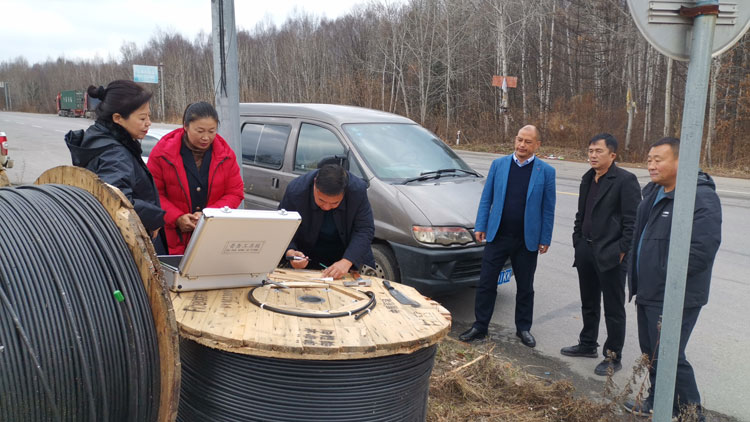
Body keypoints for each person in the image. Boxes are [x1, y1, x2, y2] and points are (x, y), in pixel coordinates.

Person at [624, 137, 721, 421]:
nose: (651, 165)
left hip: (675, 294)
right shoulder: (654, 191)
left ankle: (692, 413)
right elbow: (640, 237)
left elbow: (702, 248)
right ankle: (660, 401)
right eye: (649, 159)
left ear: (681, 161)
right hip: (648, 290)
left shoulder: (699, 197)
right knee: (653, 352)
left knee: (669, 354)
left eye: (659, 160)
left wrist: (666, 279)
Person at [459, 125, 556, 348]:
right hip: (498, 236)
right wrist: (481, 225)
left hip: (526, 240)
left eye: (528, 142)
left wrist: (545, 237)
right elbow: (487, 198)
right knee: (486, 283)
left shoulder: (546, 172)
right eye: (519, 139)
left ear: (537, 145)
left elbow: (548, 208)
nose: (522, 145)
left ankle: (523, 328)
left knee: (525, 287)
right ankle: (480, 326)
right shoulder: (499, 165)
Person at [561, 133, 641, 375]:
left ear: (612, 155)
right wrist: (577, 240)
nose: (593, 155)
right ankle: (587, 344)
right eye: (590, 151)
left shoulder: (625, 180)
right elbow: (581, 214)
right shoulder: (588, 178)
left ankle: (613, 356)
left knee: (613, 308)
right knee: (589, 301)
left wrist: (621, 251)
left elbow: (633, 222)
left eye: (598, 151)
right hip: (586, 250)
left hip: (611, 254)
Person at [65, 80, 167, 254]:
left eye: (149, 117)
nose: (148, 123)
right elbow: (116, 201)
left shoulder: (98, 139)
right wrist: (153, 218)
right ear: (117, 118)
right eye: (142, 118)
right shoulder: (115, 154)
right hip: (124, 247)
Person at [147, 102, 244, 254]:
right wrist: (176, 217)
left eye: (212, 131)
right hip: (170, 236)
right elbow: (153, 193)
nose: (206, 137)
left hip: (212, 236)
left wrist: (208, 215)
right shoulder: (163, 154)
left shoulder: (225, 155)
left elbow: (235, 193)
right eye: (200, 131)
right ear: (185, 126)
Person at [279, 163, 375, 280]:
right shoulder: (296, 190)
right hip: (306, 255)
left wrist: (347, 261)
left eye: (335, 203)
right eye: (321, 200)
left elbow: (364, 229)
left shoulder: (357, 190)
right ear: (315, 183)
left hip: (346, 255)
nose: (327, 207)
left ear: (345, 191)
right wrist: (290, 252)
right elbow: (283, 226)